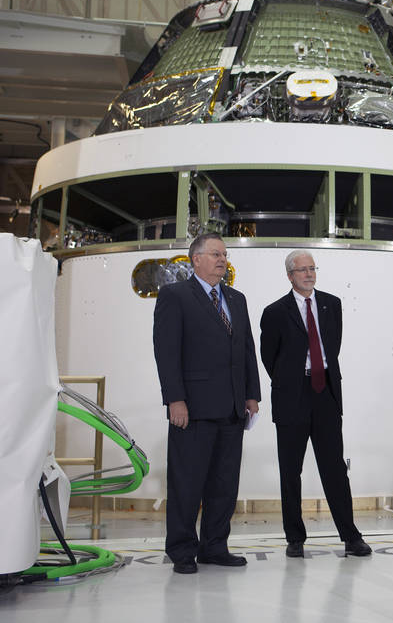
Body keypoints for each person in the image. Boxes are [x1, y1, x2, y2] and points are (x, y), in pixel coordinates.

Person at [153, 232, 261, 574]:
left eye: (225, 255)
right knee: (187, 482)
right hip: (193, 409)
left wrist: (252, 394)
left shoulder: (237, 298)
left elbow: (246, 350)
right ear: (195, 259)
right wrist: (175, 400)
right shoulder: (175, 295)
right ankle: (182, 550)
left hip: (232, 408)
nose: (222, 260)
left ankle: (214, 546)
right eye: (215, 254)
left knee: (224, 483)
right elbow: (166, 352)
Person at [260, 250, 371, 559]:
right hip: (292, 396)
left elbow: (331, 349)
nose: (309, 274)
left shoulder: (331, 304)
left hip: (326, 395)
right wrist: (292, 378)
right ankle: (294, 538)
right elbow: (269, 357)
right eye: (302, 270)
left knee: (335, 468)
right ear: (290, 276)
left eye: (312, 268)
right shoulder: (275, 312)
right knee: (290, 471)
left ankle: (351, 536)